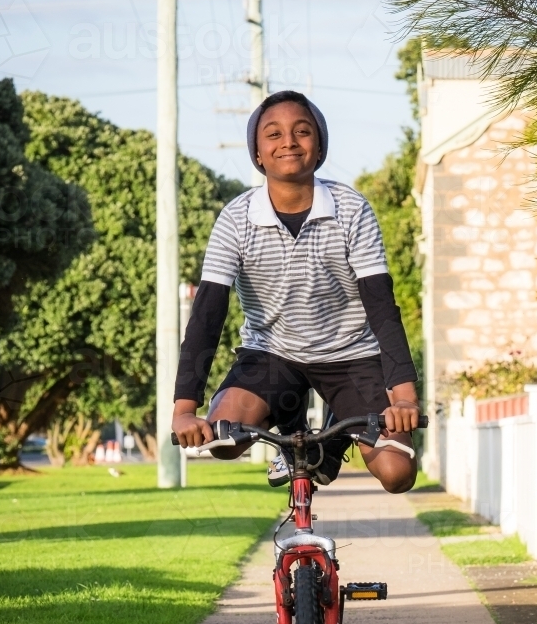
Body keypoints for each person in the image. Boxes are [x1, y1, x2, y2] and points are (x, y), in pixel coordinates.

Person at [172, 90, 420, 493]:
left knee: (397, 474)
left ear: (319, 146)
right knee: (223, 439)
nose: (288, 141)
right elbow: (207, 314)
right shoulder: (236, 219)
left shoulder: (351, 209)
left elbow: (381, 306)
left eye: (302, 131)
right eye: (273, 134)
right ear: (257, 153)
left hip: (351, 356)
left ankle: (334, 436)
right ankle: (294, 432)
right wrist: (184, 410)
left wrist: (404, 398)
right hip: (272, 356)